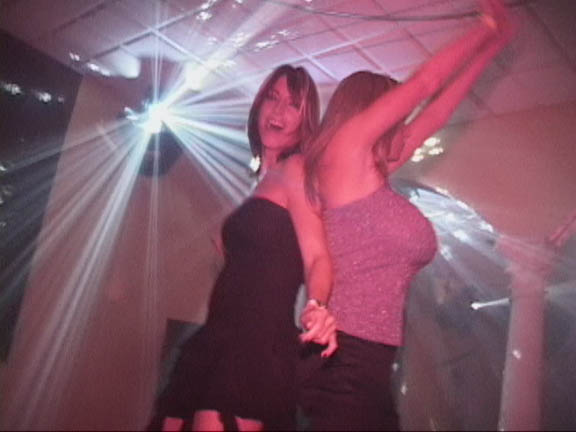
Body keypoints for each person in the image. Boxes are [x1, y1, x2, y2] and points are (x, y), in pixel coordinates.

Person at [298, 0, 513, 430]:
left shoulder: (369, 172)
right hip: (344, 357)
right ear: (373, 113)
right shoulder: (344, 153)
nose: (405, 126)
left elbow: (437, 112)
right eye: (396, 116)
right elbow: (425, 83)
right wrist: (487, 26)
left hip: (371, 362)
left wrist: (495, 46)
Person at [147, 64, 337, 431]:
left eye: (292, 104)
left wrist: (317, 305)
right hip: (218, 335)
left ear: (305, 119)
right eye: (273, 97)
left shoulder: (296, 169)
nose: (278, 111)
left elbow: (317, 256)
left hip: (255, 342)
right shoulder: (262, 181)